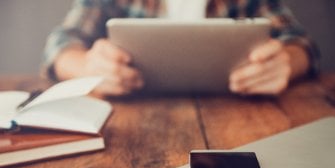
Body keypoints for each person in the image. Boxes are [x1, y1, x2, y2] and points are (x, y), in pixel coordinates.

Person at [42, 0, 319, 96]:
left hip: (241, 113)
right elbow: (62, 42)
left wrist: (287, 61)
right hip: (129, 115)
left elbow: (301, 42)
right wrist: (86, 67)